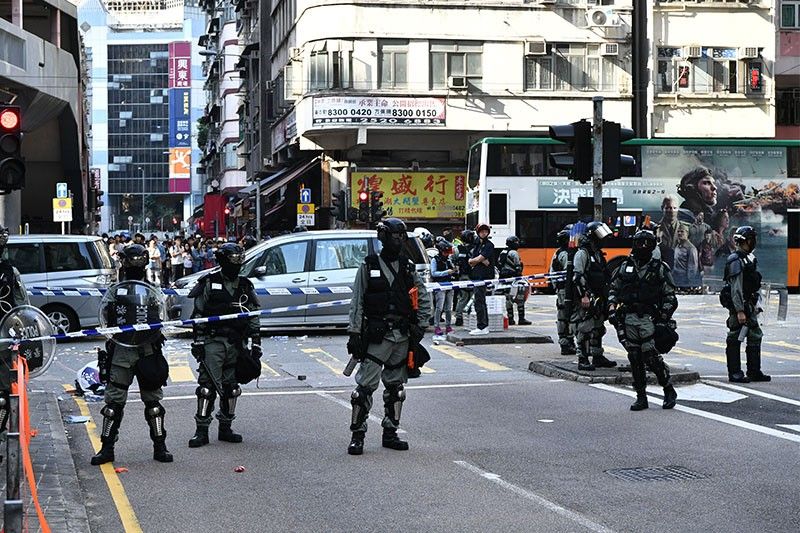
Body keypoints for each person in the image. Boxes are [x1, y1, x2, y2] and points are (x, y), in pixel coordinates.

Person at [346, 218, 430, 455]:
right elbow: (358, 302)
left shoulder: (407, 267)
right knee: (362, 390)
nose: (399, 241)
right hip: (376, 337)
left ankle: (390, 432)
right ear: (384, 237)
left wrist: (421, 326)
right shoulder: (368, 265)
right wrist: (354, 332)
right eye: (395, 236)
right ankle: (357, 435)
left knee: (396, 389)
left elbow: (422, 296)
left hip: (402, 337)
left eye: (401, 236)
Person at [91, 244, 173, 465]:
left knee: (154, 404)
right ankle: (107, 448)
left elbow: (164, 316)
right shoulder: (115, 291)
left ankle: (160, 446)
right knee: (113, 404)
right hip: (122, 350)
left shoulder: (153, 289)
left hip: (148, 350)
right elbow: (105, 316)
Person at [187, 243, 262, 447]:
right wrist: (199, 342)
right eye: (233, 261)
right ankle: (201, 430)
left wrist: (256, 345)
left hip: (237, 343)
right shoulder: (209, 283)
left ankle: (226, 427)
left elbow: (254, 316)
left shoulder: (245, 286)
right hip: (213, 341)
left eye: (239, 261)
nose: (236, 265)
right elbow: (199, 314)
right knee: (206, 388)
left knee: (231, 387)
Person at [608, 230, 678, 411]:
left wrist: (663, 319)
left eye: (647, 244)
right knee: (634, 357)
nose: (643, 247)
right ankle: (641, 396)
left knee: (650, 356)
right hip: (629, 317)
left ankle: (668, 389)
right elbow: (613, 290)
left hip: (649, 318)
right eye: (640, 243)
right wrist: (611, 309)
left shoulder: (659, 268)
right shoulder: (624, 267)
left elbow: (670, 296)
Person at [721, 226, 770, 383]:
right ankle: (735, 373)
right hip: (740, 306)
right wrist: (740, 310)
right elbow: (736, 288)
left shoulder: (747, 258)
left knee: (755, 335)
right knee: (735, 336)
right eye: (751, 239)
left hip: (750, 304)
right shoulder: (736, 260)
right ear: (747, 241)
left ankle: (754, 371)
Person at [0, 226, 30, 462]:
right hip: (3, 343)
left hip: (3, 343)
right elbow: (22, 308)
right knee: (3, 396)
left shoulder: (11, 272)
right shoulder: (10, 272)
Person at [571, 222, 617, 370]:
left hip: (599, 296)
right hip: (587, 296)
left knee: (598, 328)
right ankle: (582, 358)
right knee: (585, 328)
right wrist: (583, 295)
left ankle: (597, 356)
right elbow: (577, 276)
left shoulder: (597, 253)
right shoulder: (582, 253)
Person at [550, 226, 576, 355]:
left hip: (560, 289)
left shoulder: (557, 253)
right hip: (566, 290)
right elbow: (569, 273)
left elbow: (552, 273)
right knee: (568, 316)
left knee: (563, 316)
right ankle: (567, 343)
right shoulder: (566, 254)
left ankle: (565, 342)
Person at [468, 223, 495, 336]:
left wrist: (477, 260)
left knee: (479, 301)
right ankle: (483, 325)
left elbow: (480, 259)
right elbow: (471, 261)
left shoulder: (489, 245)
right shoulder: (478, 245)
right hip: (477, 276)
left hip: (484, 277)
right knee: (479, 301)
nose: (483, 233)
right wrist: (478, 260)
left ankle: (482, 326)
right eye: (481, 231)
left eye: (485, 231)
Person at [498, 235, 530, 326]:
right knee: (520, 297)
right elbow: (518, 266)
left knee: (508, 299)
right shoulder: (514, 253)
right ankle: (521, 318)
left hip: (504, 278)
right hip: (514, 278)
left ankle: (510, 319)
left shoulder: (503, 252)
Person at [430, 239, 456, 336]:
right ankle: (436, 326)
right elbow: (433, 273)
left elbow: (452, 269)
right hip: (439, 286)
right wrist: (446, 272)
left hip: (449, 285)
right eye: (445, 252)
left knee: (449, 308)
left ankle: (448, 326)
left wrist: (454, 270)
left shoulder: (448, 260)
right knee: (439, 307)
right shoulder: (434, 260)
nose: (447, 254)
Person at [454, 230, 474, 327]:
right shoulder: (473, 249)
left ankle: (459, 317)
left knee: (462, 298)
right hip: (471, 276)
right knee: (471, 298)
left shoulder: (458, 249)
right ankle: (469, 317)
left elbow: (454, 261)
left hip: (462, 276)